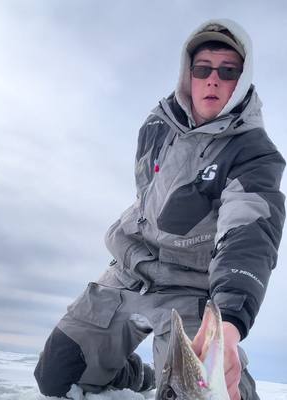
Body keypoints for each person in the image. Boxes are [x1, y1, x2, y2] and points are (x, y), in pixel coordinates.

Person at [34, 18, 285, 400]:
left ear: (243, 78)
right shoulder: (156, 124)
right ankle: (137, 376)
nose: (213, 80)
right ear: (189, 74)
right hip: (130, 270)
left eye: (227, 71)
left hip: (191, 288)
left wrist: (228, 324)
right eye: (203, 69)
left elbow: (248, 231)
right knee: (55, 376)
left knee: (207, 388)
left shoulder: (254, 154)